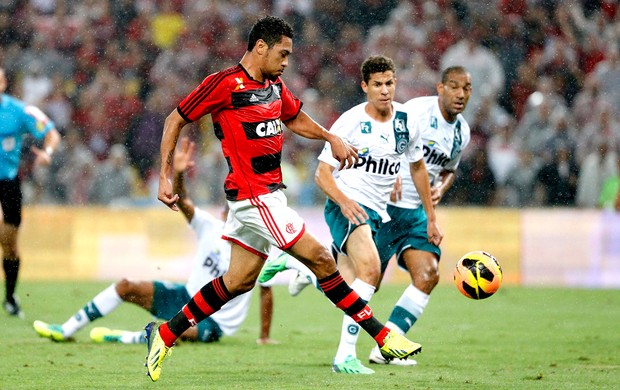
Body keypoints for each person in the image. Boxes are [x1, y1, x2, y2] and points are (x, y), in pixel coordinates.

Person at [145, 16, 421, 382]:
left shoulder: (275, 84)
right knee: (322, 259)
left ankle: (164, 334)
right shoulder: (224, 84)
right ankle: (384, 337)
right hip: (254, 196)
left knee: (238, 281)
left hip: (263, 197)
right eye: (283, 53)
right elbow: (173, 120)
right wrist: (166, 176)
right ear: (261, 47)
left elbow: (295, 118)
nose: (287, 61)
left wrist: (329, 137)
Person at [32, 138, 278, 345]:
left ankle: (123, 338)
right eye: (229, 210)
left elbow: (266, 290)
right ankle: (66, 329)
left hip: (214, 321)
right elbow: (183, 202)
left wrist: (264, 337)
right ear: (225, 213)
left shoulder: (256, 246)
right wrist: (179, 174)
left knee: (173, 330)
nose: (230, 215)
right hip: (186, 297)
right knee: (127, 285)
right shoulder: (210, 227)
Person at [314, 55, 441, 374]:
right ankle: (345, 356)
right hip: (348, 205)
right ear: (364, 87)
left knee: (352, 286)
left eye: (389, 83)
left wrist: (432, 217)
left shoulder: (407, 121)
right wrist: (343, 201)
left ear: (395, 83)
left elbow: (417, 168)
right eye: (377, 85)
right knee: (371, 271)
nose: (385, 90)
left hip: (376, 212)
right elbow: (322, 175)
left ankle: (301, 265)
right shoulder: (350, 122)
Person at [368, 66, 472, 366]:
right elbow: (385, 135)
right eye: (454, 87)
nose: (460, 94)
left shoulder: (462, 131)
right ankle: (309, 270)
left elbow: (450, 169)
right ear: (440, 87)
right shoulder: (416, 111)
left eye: (466, 89)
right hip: (386, 207)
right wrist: (393, 170)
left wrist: (441, 188)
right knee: (365, 284)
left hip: (417, 214)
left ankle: (387, 346)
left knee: (428, 275)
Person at [1, 67, 61, 317]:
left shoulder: (19, 111)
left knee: (9, 245)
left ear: (3, 83)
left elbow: (52, 134)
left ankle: (10, 297)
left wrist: (47, 153)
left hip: (8, 183)